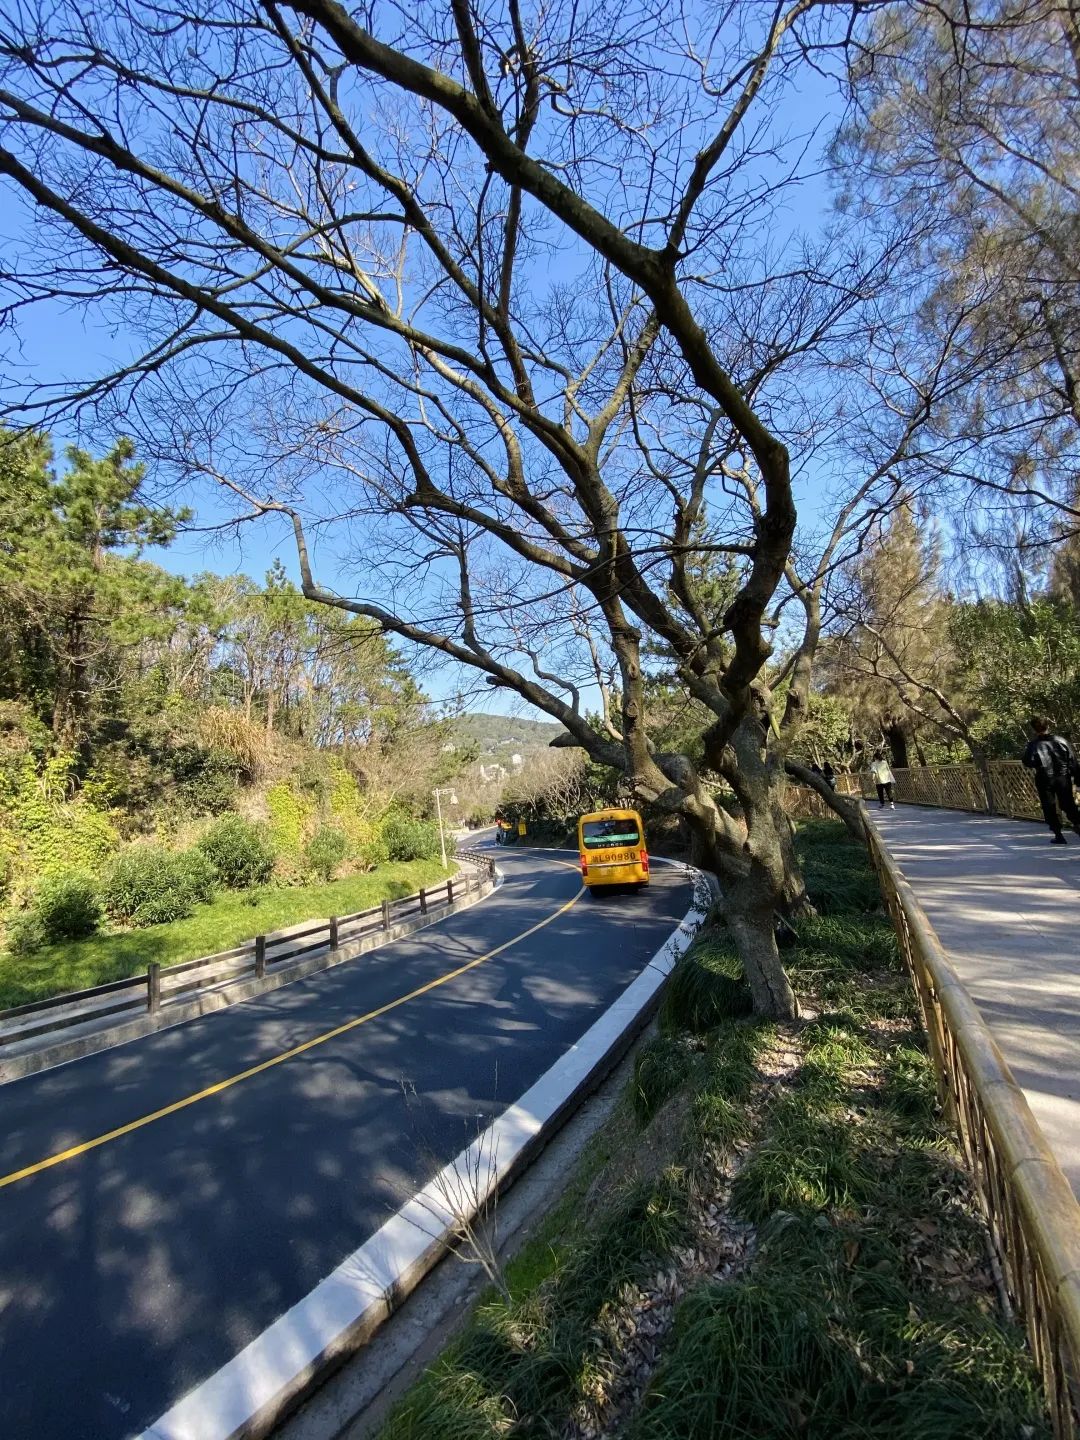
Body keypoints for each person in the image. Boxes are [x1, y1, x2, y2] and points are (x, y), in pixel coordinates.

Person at [1022, 716, 1080, 845]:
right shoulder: (1062, 741)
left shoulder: (1033, 745)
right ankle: (1077, 823)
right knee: (1068, 804)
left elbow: (1027, 762)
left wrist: (1038, 762)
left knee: (1049, 806)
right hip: (1063, 777)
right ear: (1048, 726)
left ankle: (1058, 835)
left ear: (1033, 729)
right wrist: (1077, 778)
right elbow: (1072, 760)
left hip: (1044, 778)